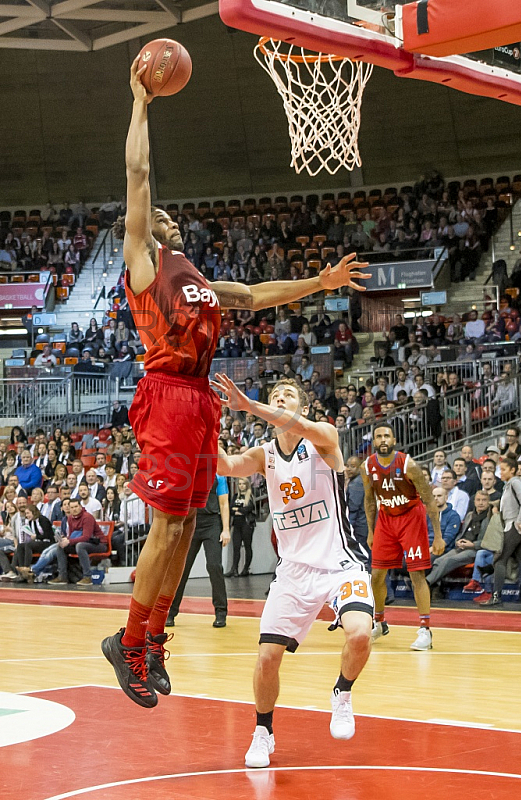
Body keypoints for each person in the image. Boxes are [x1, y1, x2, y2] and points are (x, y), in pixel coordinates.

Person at [101, 54, 371, 710]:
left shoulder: (191, 271)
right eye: (154, 212)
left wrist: (318, 282)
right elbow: (137, 172)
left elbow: (249, 294)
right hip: (166, 392)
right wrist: (140, 102)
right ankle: (129, 642)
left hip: (197, 399)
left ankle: (155, 638)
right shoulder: (143, 258)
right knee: (167, 528)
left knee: (188, 524)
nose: (163, 213)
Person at [214, 374, 372, 767]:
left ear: (303, 407)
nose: (280, 400)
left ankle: (342, 692)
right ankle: (263, 732)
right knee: (267, 657)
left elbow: (297, 427)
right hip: (293, 570)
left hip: (340, 561)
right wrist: (201, 424)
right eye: (274, 396)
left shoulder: (323, 437)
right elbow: (226, 465)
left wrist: (249, 404)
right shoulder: (265, 454)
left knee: (360, 635)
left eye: (287, 396)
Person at [361, 423, 444, 651]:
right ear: (374, 442)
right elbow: (370, 500)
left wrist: (437, 535)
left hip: (411, 517)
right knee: (376, 575)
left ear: (394, 440)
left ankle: (425, 630)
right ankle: (379, 622)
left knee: (416, 574)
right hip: (386, 519)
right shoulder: (367, 466)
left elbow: (428, 499)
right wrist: (371, 530)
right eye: (378, 436)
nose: (383, 439)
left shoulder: (409, 465)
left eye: (387, 435)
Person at [166, 475, 231, 630]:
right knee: (182, 569)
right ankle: (170, 612)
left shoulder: (219, 475)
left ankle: (221, 612)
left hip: (212, 523)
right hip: (191, 522)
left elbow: (224, 503)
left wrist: (226, 529)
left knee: (214, 566)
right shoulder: (189, 472)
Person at [480, 457, 521, 606]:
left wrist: (518, 520)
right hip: (514, 527)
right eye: (500, 469)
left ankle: (496, 596)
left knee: (500, 560)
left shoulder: (515, 482)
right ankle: (496, 596)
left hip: (514, 527)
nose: (500, 472)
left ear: (513, 470)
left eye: (503, 469)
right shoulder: (509, 484)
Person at [50, 498, 107, 587]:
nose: (74, 509)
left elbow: (86, 536)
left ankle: (87, 577)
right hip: (83, 543)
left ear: (80, 506)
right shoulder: (70, 518)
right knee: (60, 546)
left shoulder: (87, 517)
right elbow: (72, 535)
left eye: (76, 506)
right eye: (72, 507)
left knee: (80, 546)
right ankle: (62, 576)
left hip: (99, 544)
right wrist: (64, 540)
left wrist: (69, 541)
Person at [225, 478, 255, 578]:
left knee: (247, 546)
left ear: (247, 485)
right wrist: (239, 510)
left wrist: (237, 509)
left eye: (243, 484)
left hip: (246, 524)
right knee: (236, 547)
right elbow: (230, 509)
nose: (241, 486)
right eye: (240, 484)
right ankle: (234, 569)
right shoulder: (235, 496)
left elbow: (248, 509)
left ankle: (246, 568)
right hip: (237, 524)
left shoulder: (249, 496)